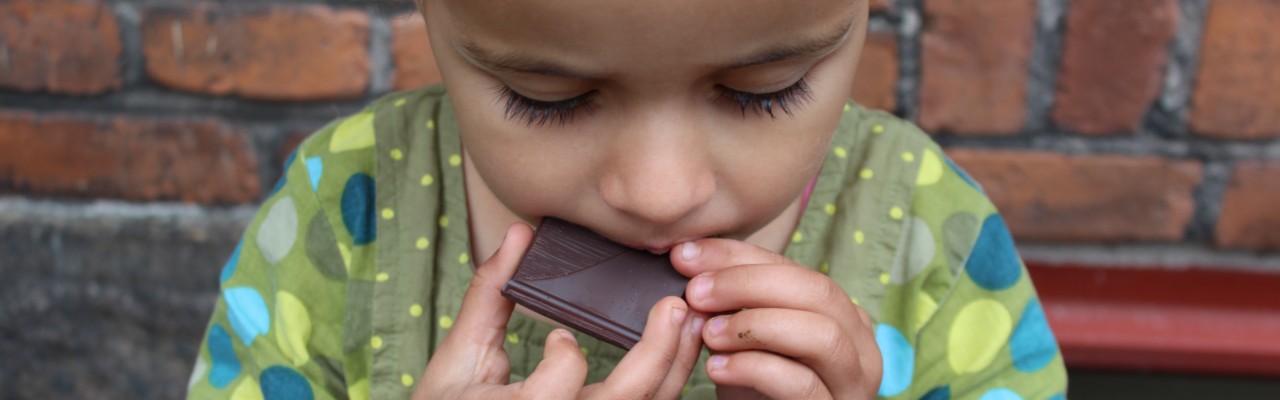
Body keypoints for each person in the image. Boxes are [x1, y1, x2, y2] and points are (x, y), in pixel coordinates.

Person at [186, 0, 1068, 398]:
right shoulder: (345, 214)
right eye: (549, 99)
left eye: (764, 89)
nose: (660, 193)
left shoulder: (929, 238)